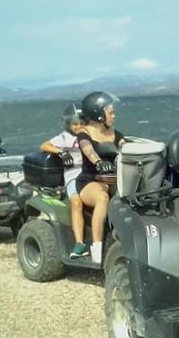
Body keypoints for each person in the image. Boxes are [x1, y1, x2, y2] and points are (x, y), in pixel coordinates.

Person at [75, 91, 126, 264]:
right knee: (102, 198)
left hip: (112, 180)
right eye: (110, 112)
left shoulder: (113, 133)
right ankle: (96, 248)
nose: (114, 115)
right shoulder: (84, 133)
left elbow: (125, 145)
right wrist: (98, 161)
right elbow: (87, 148)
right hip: (90, 181)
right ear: (98, 114)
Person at [40, 102, 87, 258]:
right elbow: (44, 145)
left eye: (81, 123)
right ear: (67, 124)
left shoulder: (89, 135)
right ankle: (79, 242)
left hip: (91, 174)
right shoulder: (64, 138)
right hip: (73, 175)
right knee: (76, 201)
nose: (78, 126)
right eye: (74, 124)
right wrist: (61, 152)